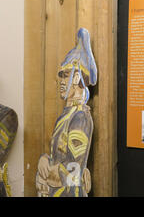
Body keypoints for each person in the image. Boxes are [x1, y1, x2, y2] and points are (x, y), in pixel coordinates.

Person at [36, 28, 97, 197]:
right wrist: (44, 159)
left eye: (66, 75)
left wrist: (45, 176)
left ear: (77, 78)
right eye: (61, 75)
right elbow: (58, 157)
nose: (61, 81)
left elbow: (72, 169)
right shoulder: (67, 115)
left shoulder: (80, 117)